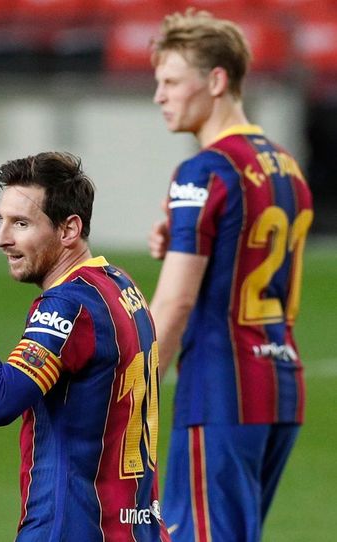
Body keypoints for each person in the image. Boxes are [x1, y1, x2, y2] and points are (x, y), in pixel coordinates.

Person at [0, 152, 170, 541]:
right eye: (1, 221)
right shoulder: (118, 284)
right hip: (137, 527)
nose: (1, 239)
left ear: (69, 230)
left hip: (73, 526)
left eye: (21, 223)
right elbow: (93, 380)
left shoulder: (67, 304)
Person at [148, 9, 314, 542]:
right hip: (279, 387)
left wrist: (137, 391)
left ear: (216, 80)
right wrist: (177, 243)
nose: (160, 95)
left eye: (171, 81)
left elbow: (173, 305)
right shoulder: (287, 166)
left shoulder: (204, 171)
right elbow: (247, 257)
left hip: (220, 389)